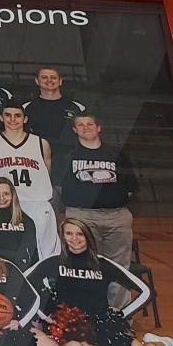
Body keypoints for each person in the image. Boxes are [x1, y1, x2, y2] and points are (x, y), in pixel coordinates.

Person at [25, 218, 173, 346]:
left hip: (102, 325)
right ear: (63, 236)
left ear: (88, 236)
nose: (74, 239)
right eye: (69, 234)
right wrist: (47, 316)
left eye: (79, 234)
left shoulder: (103, 264)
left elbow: (146, 291)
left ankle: (161, 344)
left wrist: (121, 315)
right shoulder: (53, 263)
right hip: (69, 327)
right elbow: (23, 284)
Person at [59, 112, 139, 309]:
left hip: (116, 216)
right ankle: (84, 311)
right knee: (83, 265)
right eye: (81, 125)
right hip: (81, 216)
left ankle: (118, 316)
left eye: (90, 124)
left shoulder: (116, 154)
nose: (86, 128)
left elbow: (130, 188)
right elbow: (59, 188)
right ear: (74, 130)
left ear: (99, 128)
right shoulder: (68, 156)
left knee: (119, 267)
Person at [0, 101, 59, 259]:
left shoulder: (41, 143)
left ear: (25, 119)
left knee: (45, 250)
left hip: (37, 202)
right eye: (8, 115)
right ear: (1, 117)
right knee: (10, 249)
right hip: (7, 205)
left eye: (17, 115)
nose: (12, 119)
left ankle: (44, 282)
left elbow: (47, 172)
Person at [22, 66, 86, 165]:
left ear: (60, 81)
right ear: (37, 81)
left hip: (69, 158)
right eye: (44, 77)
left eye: (53, 77)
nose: (49, 80)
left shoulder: (77, 107)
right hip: (37, 157)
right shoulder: (26, 108)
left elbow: (85, 134)